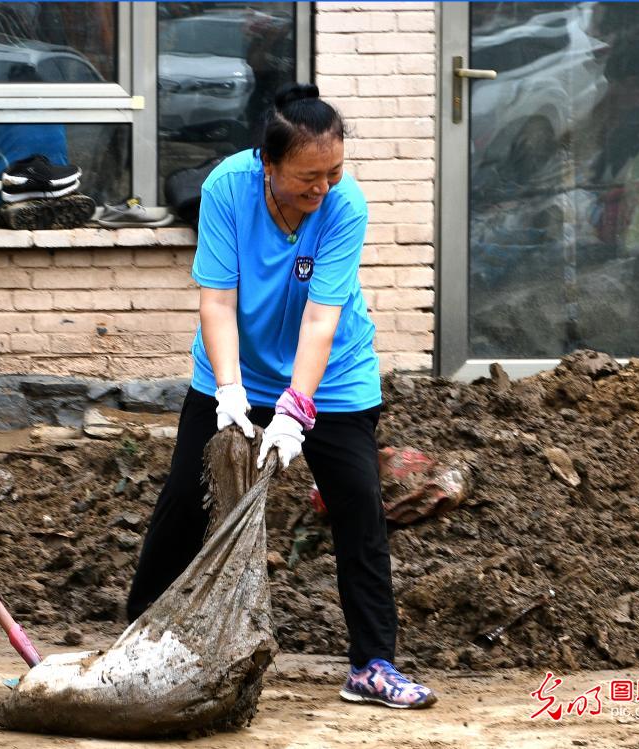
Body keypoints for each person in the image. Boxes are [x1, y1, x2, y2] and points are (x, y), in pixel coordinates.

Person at [126, 83, 436, 709]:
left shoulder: (344, 204)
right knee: (187, 498)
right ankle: (137, 641)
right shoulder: (226, 188)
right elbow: (217, 299)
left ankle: (372, 665)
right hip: (234, 368)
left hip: (334, 375)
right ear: (267, 165)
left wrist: (296, 407)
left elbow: (323, 317)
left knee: (358, 507)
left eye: (333, 173)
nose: (321, 188)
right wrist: (232, 390)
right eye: (306, 177)